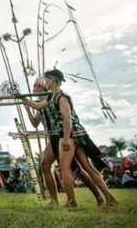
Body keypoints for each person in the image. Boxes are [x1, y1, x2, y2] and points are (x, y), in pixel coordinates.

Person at [21, 69, 118, 207]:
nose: (45, 81)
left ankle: (74, 201)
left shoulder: (62, 97)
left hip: (67, 134)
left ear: (54, 80)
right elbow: (37, 106)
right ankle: (109, 198)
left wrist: (66, 139)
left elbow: (68, 119)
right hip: (65, 135)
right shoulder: (52, 97)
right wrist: (23, 100)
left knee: (68, 168)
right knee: (85, 167)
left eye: (47, 79)